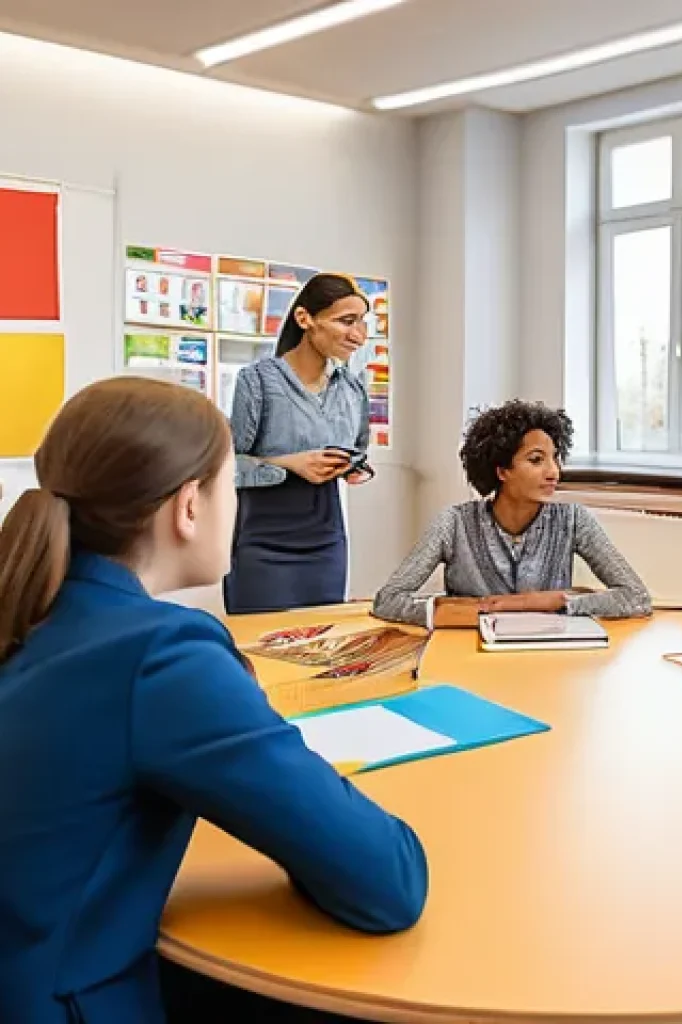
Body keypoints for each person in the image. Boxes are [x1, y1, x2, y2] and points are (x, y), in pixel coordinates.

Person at [0, 378, 428, 1024]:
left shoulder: (39, 611)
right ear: (189, 506)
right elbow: (388, 879)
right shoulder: (163, 656)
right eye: (232, 484)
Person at [373, 400, 652, 628]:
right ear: (502, 471)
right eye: (536, 460)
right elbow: (388, 601)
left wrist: (550, 601)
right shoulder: (454, 523)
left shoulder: (574, 520)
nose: (553, 472)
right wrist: (458, 612)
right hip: (467, 657)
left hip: (547, 656)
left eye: (555, 458)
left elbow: (636, 598)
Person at [224, 273, 374, 615]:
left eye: (362, 323)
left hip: (327, 540)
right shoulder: (257, 380)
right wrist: (289, 464)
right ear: (305, 319)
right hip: (262, 542)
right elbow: (229, 465)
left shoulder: (353, 390)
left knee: (319, 647)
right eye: (346, 321)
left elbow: (360, 453)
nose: (357, 334)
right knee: (261, 649)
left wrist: (352, 467)